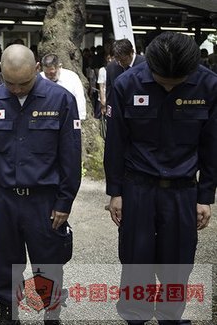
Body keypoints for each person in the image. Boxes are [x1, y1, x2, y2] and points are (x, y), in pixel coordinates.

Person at [104, 32, 216, 324]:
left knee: (178, 262)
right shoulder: (126, 84)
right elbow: (116, 142)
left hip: (182, 191)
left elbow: (212, 145)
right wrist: (115, 192)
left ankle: (170, 316)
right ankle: (136, 317)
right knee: (136, 260)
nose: (168, 87)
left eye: (175, 84)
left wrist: (205, 196)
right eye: (162, 81)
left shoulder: (209, 85)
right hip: (139, 187)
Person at [0, 44, 81, 324]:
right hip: (6, 198)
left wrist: (64, 202)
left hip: (44, 198)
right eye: (10, 83)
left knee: (47, 259)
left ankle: (51, 310)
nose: (17, 89)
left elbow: (70, 155)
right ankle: (8, 309)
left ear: (36, 70)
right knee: (6, 259)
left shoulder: (61, 100)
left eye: (23, 83)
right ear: (0, 71)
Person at [40, 53, 87, 120]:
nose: (49, 76)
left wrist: (80, 117)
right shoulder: (40, 78)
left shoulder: (72, 77)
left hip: (67, 117)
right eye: (46, 73)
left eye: (52, 73)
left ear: (59, 67)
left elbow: (79, 98)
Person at [105, 39, 145, 106]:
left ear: (131, 52)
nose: (121, 63)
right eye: (118, 60)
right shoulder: (111, 67)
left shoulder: (145, 64)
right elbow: (110, 91)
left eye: (124, 60)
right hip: (119, 107)